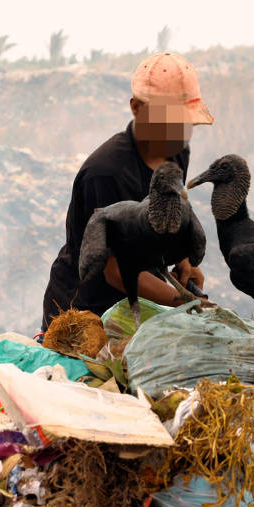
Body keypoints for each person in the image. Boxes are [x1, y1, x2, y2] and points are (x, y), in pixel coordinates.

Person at [42, 52, 214, 330]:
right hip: (87, 311)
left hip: (142, 300)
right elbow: (118, 273)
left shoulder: (178, 152)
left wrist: (184, 260)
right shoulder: (107, 173)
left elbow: (172, 212)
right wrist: (184, 302)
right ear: (136, 108)